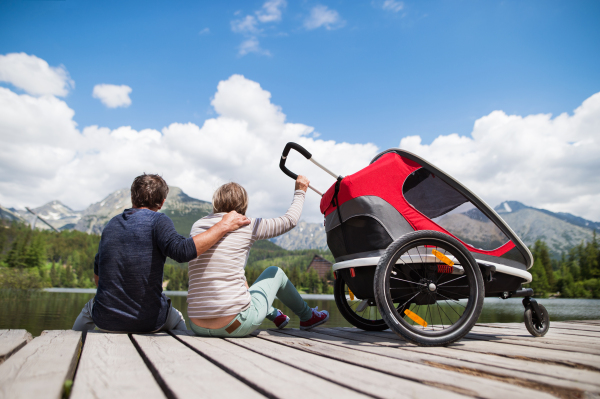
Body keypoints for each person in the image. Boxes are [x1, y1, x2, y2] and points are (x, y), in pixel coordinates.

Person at [72, 173, 250, 333]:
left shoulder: (111, 224)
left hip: (105, 320)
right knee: (178, 318)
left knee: (88, 311)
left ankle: (71, 341)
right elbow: (182, 252)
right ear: (162, 201)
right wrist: (223, 225)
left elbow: (98, 276)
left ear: (133, 197)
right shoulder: (158, 221)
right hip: (148, 321)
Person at [187, 175, 329, 337]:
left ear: (216, 202)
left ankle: (275, 314)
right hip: (234, 325)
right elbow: (290, 221)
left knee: (239, 279)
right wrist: (300, 191)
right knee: (276, 272)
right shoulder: (247, 225)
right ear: (243, 205)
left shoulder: (197, 226)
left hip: (196, 325)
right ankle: (307, 316)